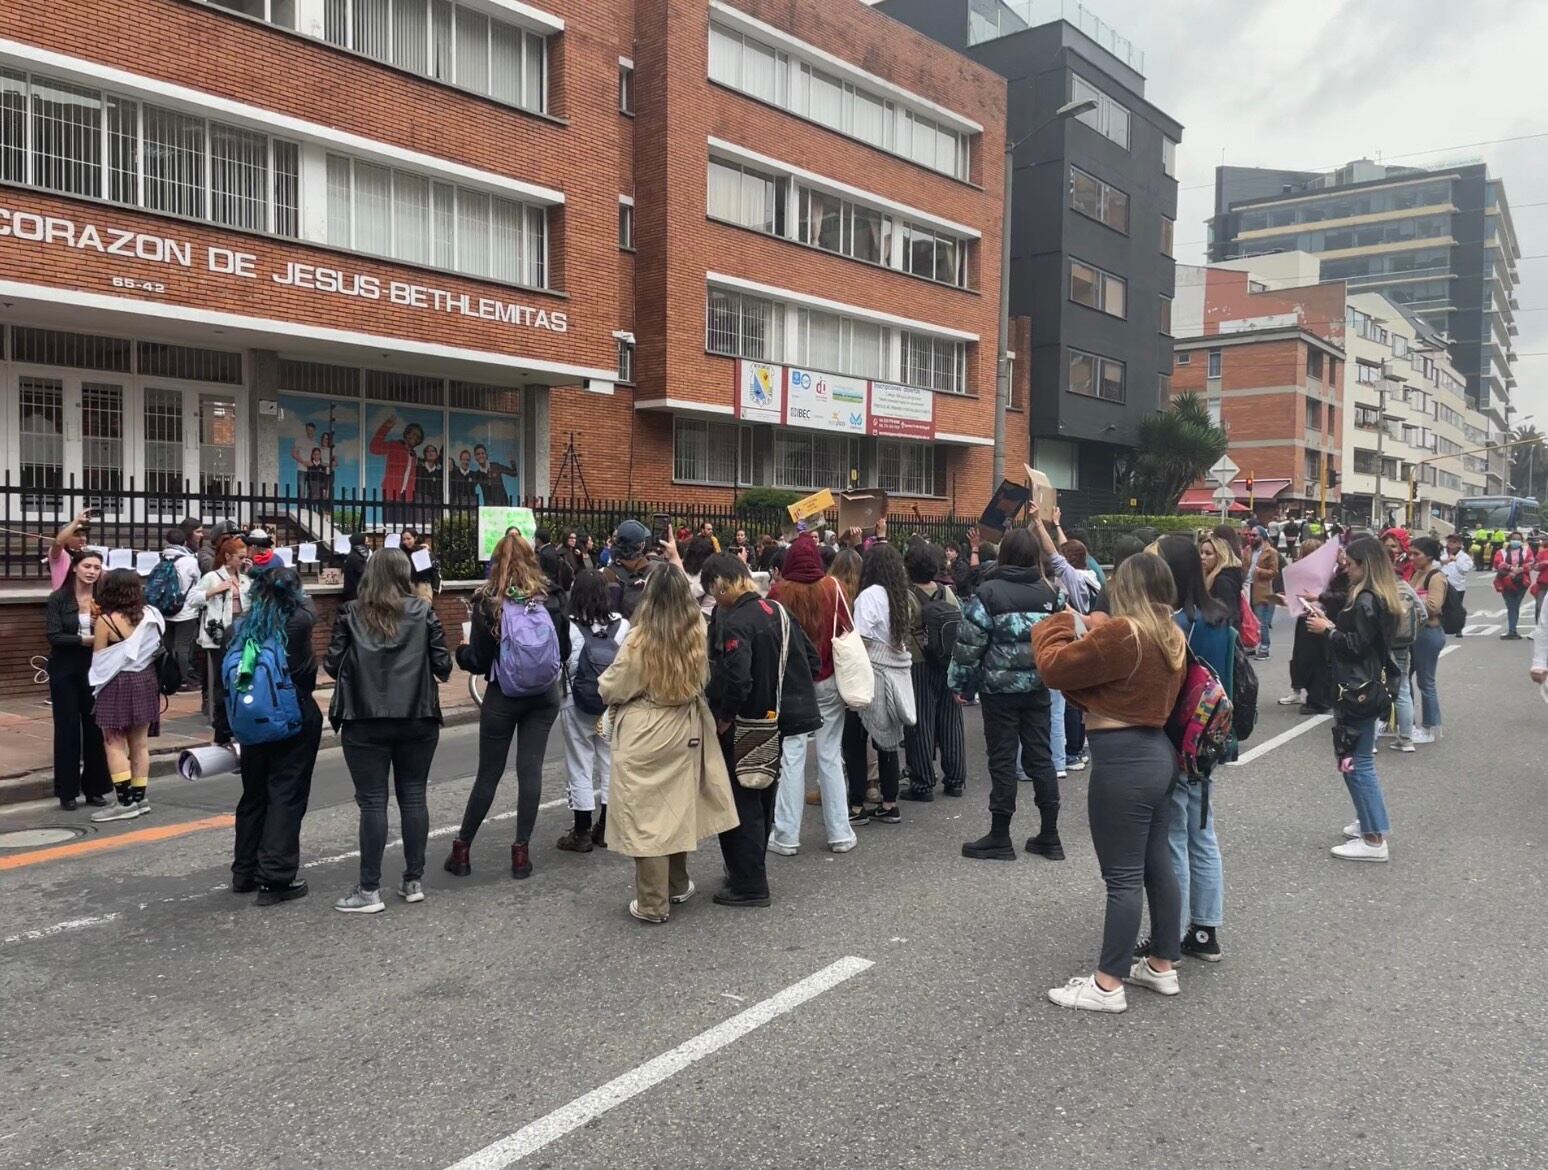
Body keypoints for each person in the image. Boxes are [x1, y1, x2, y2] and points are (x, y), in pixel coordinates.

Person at [1032, 553, 1188, 1013]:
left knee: (1121, 877)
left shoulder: (1125, 633)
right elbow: (1118, 688)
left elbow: (1054, 666)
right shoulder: (1171, 634)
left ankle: (1107, 984)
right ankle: (1162, 963)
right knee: (1157, 866)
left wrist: (1061, 621)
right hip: (1158, 753)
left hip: (1122, 761)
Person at [598, 564, 738, 923]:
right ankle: (677, 883)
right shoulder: (698, 630)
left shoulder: (640, 638)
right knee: (676, 808)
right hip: (685, 725)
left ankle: (652, 902)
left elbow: (613, 685)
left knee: (646, 818)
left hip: (646, 726)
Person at [325, 549, 453, 912]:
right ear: (405, 574)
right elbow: (443, 665)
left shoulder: (351, 612)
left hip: (363, 717)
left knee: (372, 803)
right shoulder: (423, 611)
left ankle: (369, 889)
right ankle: (413, 880)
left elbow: (332, 665)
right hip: (417, 714)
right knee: (413, 797)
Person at [445, 534, 568, 881]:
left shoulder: (488, 601)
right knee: (531, 771)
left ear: (495, 561)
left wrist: (462, 650)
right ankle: (520, 853)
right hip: (544, 695)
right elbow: (565, 650)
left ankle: (462, 849)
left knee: (489, 773)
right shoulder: (552, 597)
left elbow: (478, 660)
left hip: (503, 695)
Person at [703, 553, 817, 907]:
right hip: (777, 719)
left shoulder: (736, 621)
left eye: (712, 590)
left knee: (741, 802)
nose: (713, 598)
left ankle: (749, 883)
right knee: (762, 793)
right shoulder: (777, 611)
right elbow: (810, 659)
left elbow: (738, 677)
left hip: (745, 723)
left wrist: (724, 715)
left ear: (721, 584)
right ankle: (749, 872)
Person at [950, 526, 1066, 862]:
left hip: (998, 690)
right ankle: (1050, 834)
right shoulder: (1050, 592)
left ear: (1004, 555)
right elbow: (1061, 639)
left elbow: (969, 644)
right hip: (1038, 687)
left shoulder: (988, 592)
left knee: (1002, 759)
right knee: (1040, 758)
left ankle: (1000, 836)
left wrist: (961, 684)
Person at [1153, 536, 1233, 963]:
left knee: (1174, 837)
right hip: (1211, 737)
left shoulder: (1176, 623)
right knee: (1203, 832)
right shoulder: (1219, 616)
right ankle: (1206, 929)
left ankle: (1171, 932)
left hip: (1178, 739)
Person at [229, 567, 321, 906]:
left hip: (251, 720)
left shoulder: (239, 626)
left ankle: (245, 871)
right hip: (293, 714)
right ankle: (276, 877)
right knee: (286, 794)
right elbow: (310, 608)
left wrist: (225, 730)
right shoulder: (298, 622)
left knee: (253, 795)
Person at [1306, 536, 1399, 862]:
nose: (1346, 569)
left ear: (1365, 566)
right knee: (1355, 762)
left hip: (1355, 689)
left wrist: (1327, 630)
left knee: (1356, 764)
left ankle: (1373, 838)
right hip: (1367, 686)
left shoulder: (1365, 601)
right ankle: (1370, 823)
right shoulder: (1380, 597)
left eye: (1350, 564)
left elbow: (1355, 645)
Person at [767, 534, 859, 854]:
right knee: (830, 755)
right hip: (831, 679)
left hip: (794, 684)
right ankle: (840, 833)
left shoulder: (778, 592)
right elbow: (847, 630)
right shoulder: (833, 589)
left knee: (792, 756)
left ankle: (786, 836)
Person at [844, 544, 915, 828]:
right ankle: (890, 803)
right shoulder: (900, 597)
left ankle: (857, 804)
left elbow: (860, 637)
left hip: (871, 672)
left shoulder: (869, 595)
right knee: (887, 740)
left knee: (854, 741)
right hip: (895, 673)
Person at [88, 568, 167, 823]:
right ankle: (140, 798)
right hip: (146, 679)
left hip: (116, 683)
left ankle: (123, 802)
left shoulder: (106, 621)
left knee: (113, 742)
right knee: (140, 743)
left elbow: (99, 660)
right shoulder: (153, 614)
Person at [557, 568, 626, 853]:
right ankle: (606, 828)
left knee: (580, 764)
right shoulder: (623, 626)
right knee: (609, 761)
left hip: (576, 701)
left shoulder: (567, 626)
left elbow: (562, 663)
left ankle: (581, 830)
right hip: (611, 704)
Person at [899, 543, 966, 802]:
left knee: (921, 722)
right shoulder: (947, 593)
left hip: (917, 663)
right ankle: (955, 779)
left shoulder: (906, 596)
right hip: (947, 661)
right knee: (951, 721)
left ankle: (923, 781)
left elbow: (901, 632)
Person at [45, 549, 110, 810]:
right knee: (68, 728)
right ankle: (67, 791)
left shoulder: (103, 599)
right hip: (65, 667)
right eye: (87, 566)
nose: (92, 571)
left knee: (95, 728)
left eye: (96, 567)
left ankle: (95, 788)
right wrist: (87, 640)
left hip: (95, 666)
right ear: (74, 568)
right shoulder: (59, 598)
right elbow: (54, 635)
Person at [189, 532, 251, 746]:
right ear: (228, 557)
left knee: (242, 674)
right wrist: (213, 591)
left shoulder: (245, 578)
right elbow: (192, 600)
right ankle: (221, 723)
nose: (244, 561)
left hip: (242, 632)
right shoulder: (212, 577)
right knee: (221, 679)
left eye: (245, 557)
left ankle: (239, 716)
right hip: (220, 633)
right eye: (241, 557)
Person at [1408, 536, 1449, 744]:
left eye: (1417, 554)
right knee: (1404, 677)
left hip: (1428, 633)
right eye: (1411, 553)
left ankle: (1431, 727)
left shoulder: (1435, 576)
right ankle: (1407, 723)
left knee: (1426, 681)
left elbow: (1434, 606)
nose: (1412, 557)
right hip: (1413, 633)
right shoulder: (1417, 573)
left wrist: (1411, 601)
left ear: (1430, 556)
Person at [156, 526, 203, 692]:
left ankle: (168, 676)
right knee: (182, 647)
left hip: (165, 610)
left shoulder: (162, 558)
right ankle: (184, 680)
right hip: (185, 610)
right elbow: (199, 582)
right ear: (184, 542)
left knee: (168, 646)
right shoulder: (190, 561)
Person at [369, 415, 423, 523]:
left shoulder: (414, 454)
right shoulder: (395, 445)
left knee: (404, 524)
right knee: (390, 524)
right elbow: (374, 447)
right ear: (407, 434)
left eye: (418, 437)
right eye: (413, 434)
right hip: (391, 491)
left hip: (407, 495)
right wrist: (386, 426)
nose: (415, 438)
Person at [605, 519, 656, 619]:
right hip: (646, 630)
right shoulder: (655, 571)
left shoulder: (608, 572)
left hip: (619, 631)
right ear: (641, 546)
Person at [1245, 524, 1281, 661]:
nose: (1251, 538)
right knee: (1249, 620)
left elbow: (1274, 572)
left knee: (1261, 621)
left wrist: (1261, 572)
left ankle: (1264, 647)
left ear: (1262, 536)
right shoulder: (1248, 550)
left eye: (1254, 535)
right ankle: (1251, 646)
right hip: (1247, 587)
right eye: (1250, 535)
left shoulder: (1270, 552)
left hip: (1262, 590)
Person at [1198, 532, 1245, 627]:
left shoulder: (1222, 581)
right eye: (1201, 552)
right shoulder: (1211, 577)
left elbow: (1232, 615)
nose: (1202, 557)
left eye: (1208, 554)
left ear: (1220, 556)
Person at [1494, 532, 1533, 640]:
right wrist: (1511, 569)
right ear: (1509, 540)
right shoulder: (1501, 552)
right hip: (1506, 581)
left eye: (1518, 539)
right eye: (1513, 538)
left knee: (1514, 605)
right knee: (1512, 605)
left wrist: (1520, 570)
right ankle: (1512, 630)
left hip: (1521, 582)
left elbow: (1531, 564)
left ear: (1521, 540)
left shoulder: (1526, 552)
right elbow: (1497, 564)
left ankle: (1512, 630)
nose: (1515, 541)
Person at [47, 509, 93, 589]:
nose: (82, 538)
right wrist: (76, 521)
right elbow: (58, 542)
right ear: (66, 537)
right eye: (77, 535)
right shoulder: (60, 554)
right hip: (63, 599)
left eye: (84, 535)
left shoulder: (86, 553)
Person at [1439, 533, 1472, 638]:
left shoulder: (1464, 556)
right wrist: (1443, 562)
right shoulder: (1441, 554)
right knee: (1441, 607)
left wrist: (1456, 560)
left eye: (1454, 542)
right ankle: (1443, 627)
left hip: (1458, 586)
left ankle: (1458, 628)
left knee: (1456, 608)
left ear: (1459, 544)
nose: (1451, 544)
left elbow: (1465, 569)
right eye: (1449, 542)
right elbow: (1434, 565)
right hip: (1443, 585)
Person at [400, 529, 441, 603]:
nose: (406, 542)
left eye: (408, 539)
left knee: (423, 610)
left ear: (415, 538)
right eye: (404, 539)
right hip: (408, 586)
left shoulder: (422, 549)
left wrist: (428, 553)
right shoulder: (402, 552)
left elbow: (435, 565)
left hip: (422, 585)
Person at [341, 533, 370, 604]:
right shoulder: (356, 558)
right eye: (366, 542)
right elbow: (364, 574)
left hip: (355, 594)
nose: (368, 544)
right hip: (355, 596)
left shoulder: (354, 556)